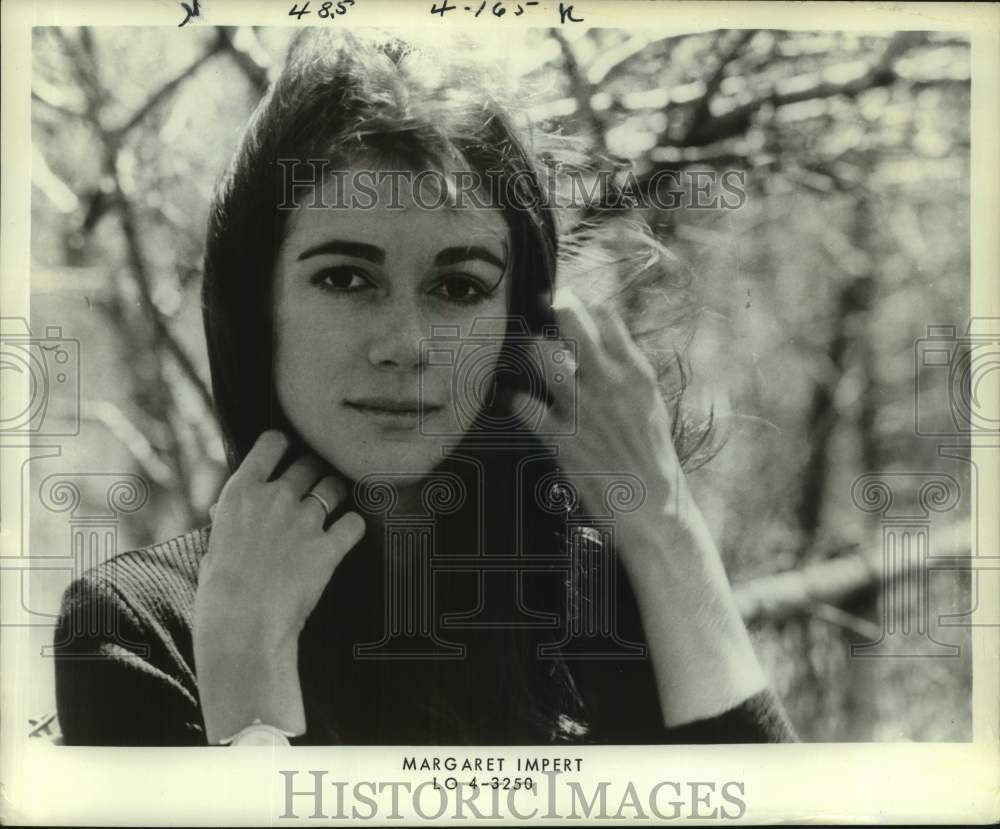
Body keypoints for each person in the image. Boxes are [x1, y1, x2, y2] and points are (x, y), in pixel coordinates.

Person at [53, 28, 797, 746]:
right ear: (256, 306)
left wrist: (667, 530)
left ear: (517, 321)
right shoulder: (140, 628)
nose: (407, 345)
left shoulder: (606, 596)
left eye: (459, 286)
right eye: (345, 278)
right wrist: (250, 691)